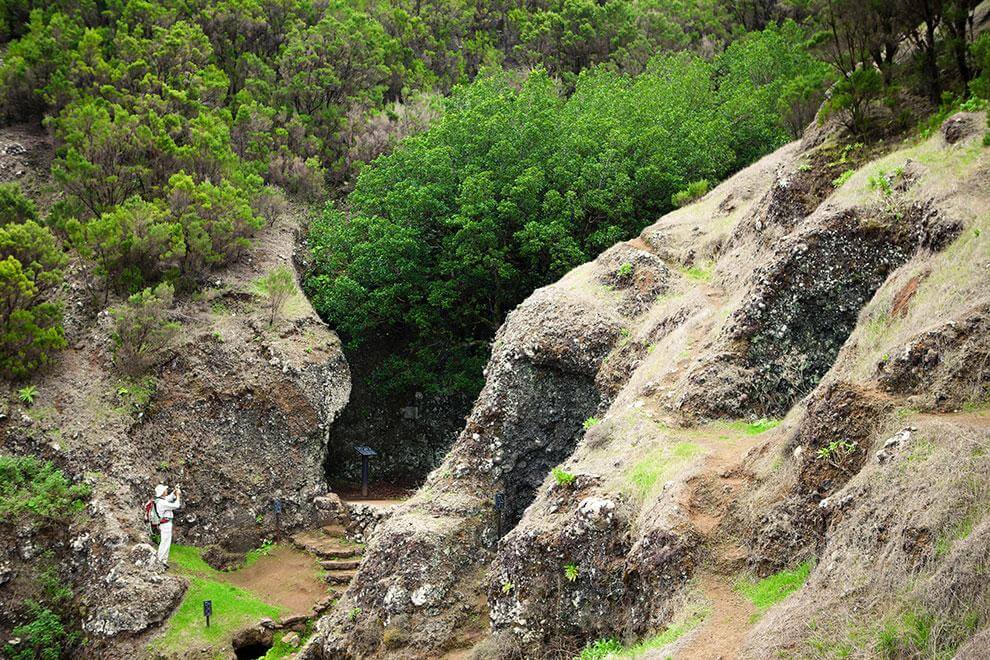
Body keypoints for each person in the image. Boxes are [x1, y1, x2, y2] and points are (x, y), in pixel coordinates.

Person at [154, 484, 182, 568]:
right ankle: (160, 560)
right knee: (165, 542)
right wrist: (178, 496)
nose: (166, 490)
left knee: (166, 541)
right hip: (165, 524)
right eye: (165, 490)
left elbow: (169, 498)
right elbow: (176, 505)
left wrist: (174, 492)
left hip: (165, 523)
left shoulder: (160, 500)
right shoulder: (162, 502)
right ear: (162, 492)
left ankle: (163, 560)